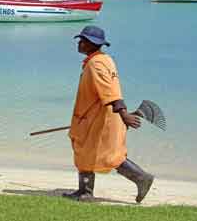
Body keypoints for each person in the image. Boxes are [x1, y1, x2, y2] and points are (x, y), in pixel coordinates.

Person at [63, 25, 154, 203]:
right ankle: (85, 191)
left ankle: (142, 178)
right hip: (97, 116)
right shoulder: (104, 59)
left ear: (91, 44)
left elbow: (109, 90)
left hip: (101, 118)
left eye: (82, 41)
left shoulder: (96, 64)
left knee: (108, 155)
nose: (79, 44)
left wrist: (124, 114)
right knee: (88, 152)